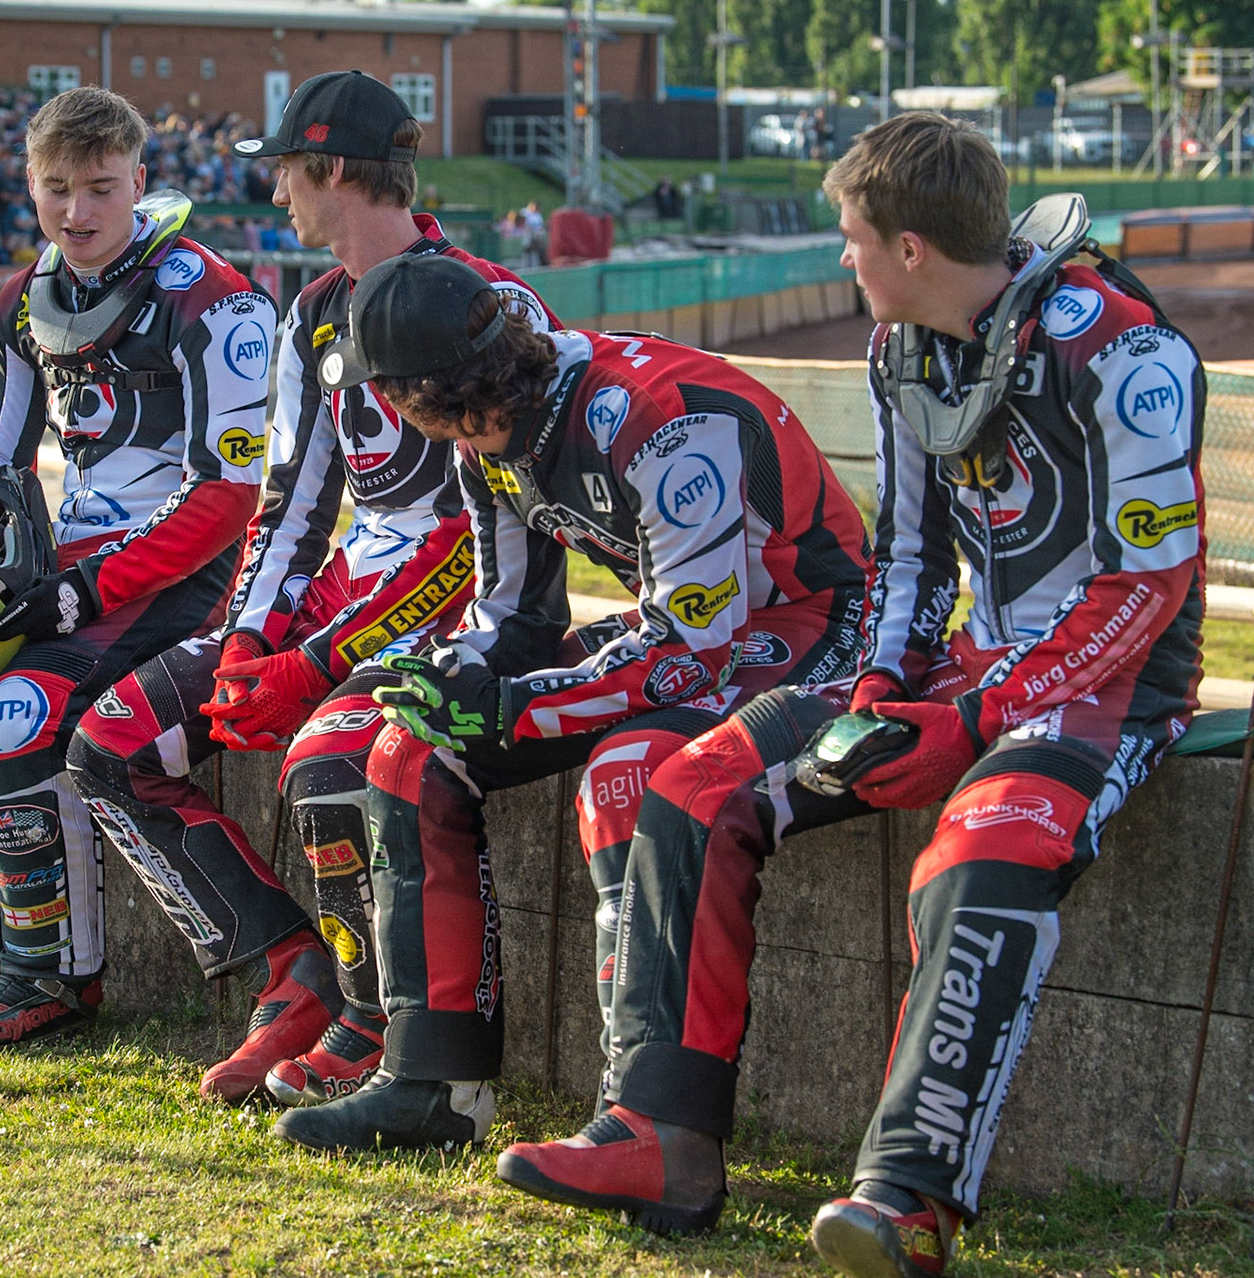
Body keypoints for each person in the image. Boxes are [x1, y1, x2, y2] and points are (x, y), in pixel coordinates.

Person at [492, 113, 1205, 1278]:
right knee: (689, 783)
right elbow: (914, 565)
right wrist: (878, 691)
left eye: (851, 237)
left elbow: (1153, 579)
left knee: (979, 856)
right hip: (969, 667)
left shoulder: (1122, 351)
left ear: (912, 247)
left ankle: (905, 1203)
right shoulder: (903, 350)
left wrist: (973, 721)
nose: (843, 260)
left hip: (1116, 681)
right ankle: (662, 1139)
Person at [270, 253, 873, 1157]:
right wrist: (449, 677)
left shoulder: (656, 423)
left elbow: (685, 653)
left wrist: (509, 702)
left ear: (422, 391)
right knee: (407, 750)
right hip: (698, 621)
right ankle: (435, 1085)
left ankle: (646, 1124)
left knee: (626, 775)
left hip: (812, 621)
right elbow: (510, 615)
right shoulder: (487, 438)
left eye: (385, 392)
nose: (384, 412)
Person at [67, 70, 558, 1107]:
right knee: (109, 741)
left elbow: (487, 537)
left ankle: (372, 1016)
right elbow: (289, 502)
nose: (277, 192)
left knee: (326, 760)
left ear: (332, 169)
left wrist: (316, 663)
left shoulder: (488, 301)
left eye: (287, 170)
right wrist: (250, 641)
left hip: (468, 620)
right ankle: (290, 974)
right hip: (337, 607)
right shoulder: (315, 313)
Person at [0, 85, 271, 1048]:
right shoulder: (26, 298)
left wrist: (88, 590)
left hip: (178, 581)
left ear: (140, 182)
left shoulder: (213, 298)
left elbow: (228, 496)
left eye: (101, 189)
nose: (77, 213)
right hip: (62, 566)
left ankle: (51, 981)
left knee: (12, 723)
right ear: (31, 184)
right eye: (57, 189)